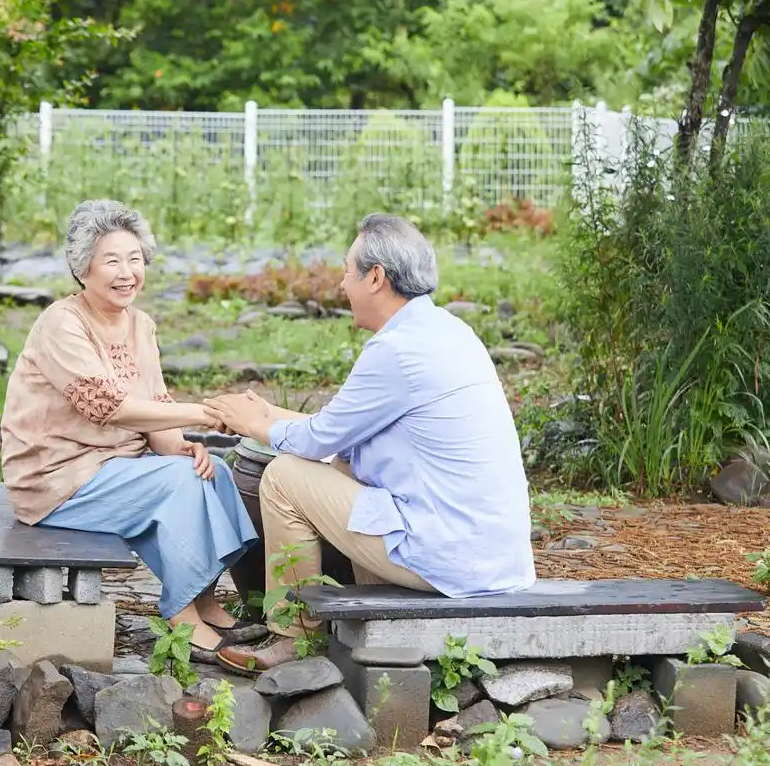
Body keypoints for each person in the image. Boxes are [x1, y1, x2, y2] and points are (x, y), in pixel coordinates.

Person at [204, 213, 536, 675]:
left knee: (281, 477)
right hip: (489, 557)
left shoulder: (397, 352)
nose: (342, 284)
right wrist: (262, 414)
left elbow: (320, 437)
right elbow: (341, 428)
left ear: (375, 277)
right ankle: (330, 616)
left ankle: (294, 638)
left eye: (346, 270)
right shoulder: (447, 332)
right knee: (335, 466)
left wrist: (256, 425)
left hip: (449, 560)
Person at [0, 199, 266, 660]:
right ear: (83, 269)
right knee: (180, 484)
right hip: (58, 477)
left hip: (116, 468)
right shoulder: (62, 324)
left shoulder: (140, 324)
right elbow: (109, 406)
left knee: (212, 471)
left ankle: (205, 600)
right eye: (112, 261)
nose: (127, 272)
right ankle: (181, 616)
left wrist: (184, 447)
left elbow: (154, 406)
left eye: (135, 259)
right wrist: (202, 413)